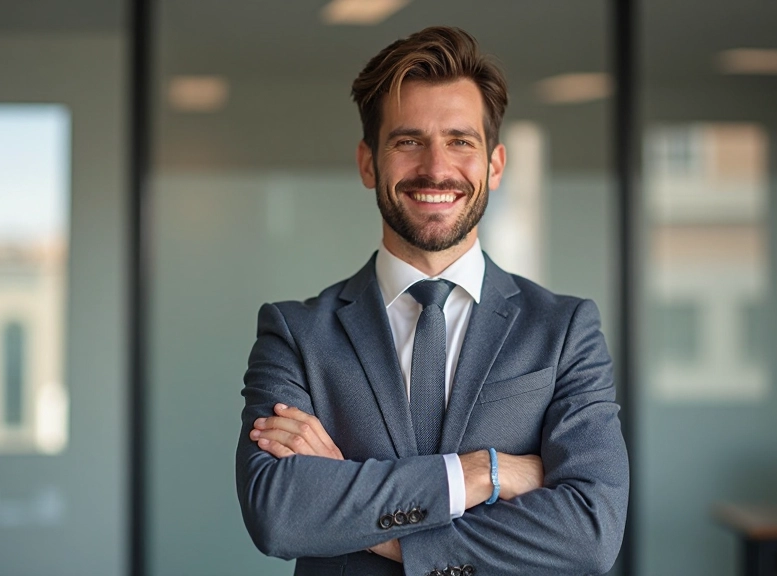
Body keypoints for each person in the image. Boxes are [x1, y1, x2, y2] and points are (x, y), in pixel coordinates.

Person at [236, 26, 629, 576]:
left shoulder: (565, 330)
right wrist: (480, 473)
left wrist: (365, 519)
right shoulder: (297, 333)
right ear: (368, 162)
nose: (437, 168)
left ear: (494, 164)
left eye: (460, 140)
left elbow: (590, 531)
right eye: (408, 140)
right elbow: (280, 514)